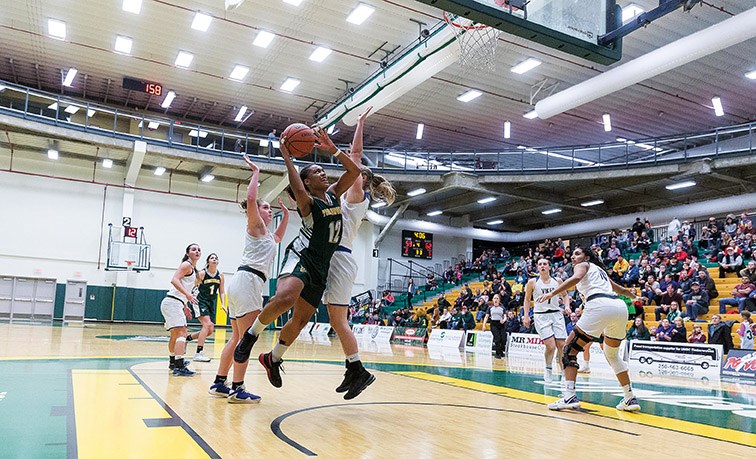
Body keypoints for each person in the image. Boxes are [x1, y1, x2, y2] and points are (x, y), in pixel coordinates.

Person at [233, 123, 362, 395]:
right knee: (286, 297)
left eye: (322, 169)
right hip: (302, 254)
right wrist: (287, 157)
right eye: (316, 171)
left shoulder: (333, 195)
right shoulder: (308, 203)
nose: (322, 172)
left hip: (321, 266)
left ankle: (274, 357)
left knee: (301, 320)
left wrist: (334, 150)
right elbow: (295, 184)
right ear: (306, 182)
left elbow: (355, 171)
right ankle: (250, 336)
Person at [318, 108, 395, 397]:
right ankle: (353, 369)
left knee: (339, 320)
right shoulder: (348, 196)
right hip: (335, 258)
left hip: (341, 257)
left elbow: (355, 155)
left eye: (357, 173)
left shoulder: (355, 196)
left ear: (362, 179)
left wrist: (360, 125)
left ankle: (358, 370)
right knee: (336, 320)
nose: (351, 173)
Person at [207, 156, 289, 403]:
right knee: (246, 339)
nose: (268, 209)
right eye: (266, 207)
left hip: (243, 282)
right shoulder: (254, 226)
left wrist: (286, 215)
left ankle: (219, 383)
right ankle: (238, 388)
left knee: (236, 338)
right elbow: (252, 199)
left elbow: (277, 238)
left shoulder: (266, 235)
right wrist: (256, 172)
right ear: (256, 212)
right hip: (248, 282)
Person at [536, 246, 640, 412]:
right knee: (612, 355)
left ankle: (569, 396)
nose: (573, 257)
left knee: (568, 350)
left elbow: (576, 278)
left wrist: (551, 294)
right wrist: (633, 296)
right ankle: (629, 398)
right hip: (619, 307)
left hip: (600, 305)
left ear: (587, 257)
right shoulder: (601, 272)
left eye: (577, 253)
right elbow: (619, 289)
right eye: (571, 255)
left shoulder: (583, 265)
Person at [524, 258, 571, 383]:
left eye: (545, 264)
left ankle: (563, 372)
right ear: (537, 268)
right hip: (541, 315)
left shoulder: (558, 280)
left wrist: (567, 306)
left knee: (562, 345)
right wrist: (526, 316)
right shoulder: (532, 282)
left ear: (550, 267)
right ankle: (548, 368)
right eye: (540, 264)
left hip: (556, 314)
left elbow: (565, 295)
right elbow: (527, 300)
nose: (542, 266)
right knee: (550, 346)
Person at [160, 244, 201, 377]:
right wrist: (188, 296)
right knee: (182, 333)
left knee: (175, 334)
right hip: (172, 303)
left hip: (174, 303)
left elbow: (181, 287)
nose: (197, 251)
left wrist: (184, 305)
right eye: (194, 249)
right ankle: (179, 366)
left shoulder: (193, 269)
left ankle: (173, 362)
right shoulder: (186, 265)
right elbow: (174, 280)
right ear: (188, 253)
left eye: (199, 249)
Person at [186, 253, 225, 362]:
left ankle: (187, 339)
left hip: (211, 302)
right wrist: (188, 299)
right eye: (212, 258)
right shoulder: (202, 273)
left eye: (216, 258)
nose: (214, 259)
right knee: (207, 325)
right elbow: (193, 286)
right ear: (208, 261)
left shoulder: (220, 276)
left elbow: (221, 291)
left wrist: (222, 304)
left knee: (210, 330)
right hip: (200, 301)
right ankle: (198, 353)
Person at [482, 294, 506, 358]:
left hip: (501, 324)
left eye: (497, 298)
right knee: (497, 338)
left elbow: (505, 316)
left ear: (499, 300)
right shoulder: (490, 308)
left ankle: (500, 351)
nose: (495, 300)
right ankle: (497, 353)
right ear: (492, 299)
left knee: (503, 339)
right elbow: (486, 317)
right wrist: (484, 325)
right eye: (494, 298)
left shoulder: (502, 307)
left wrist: (503, 320)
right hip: (493, 324)